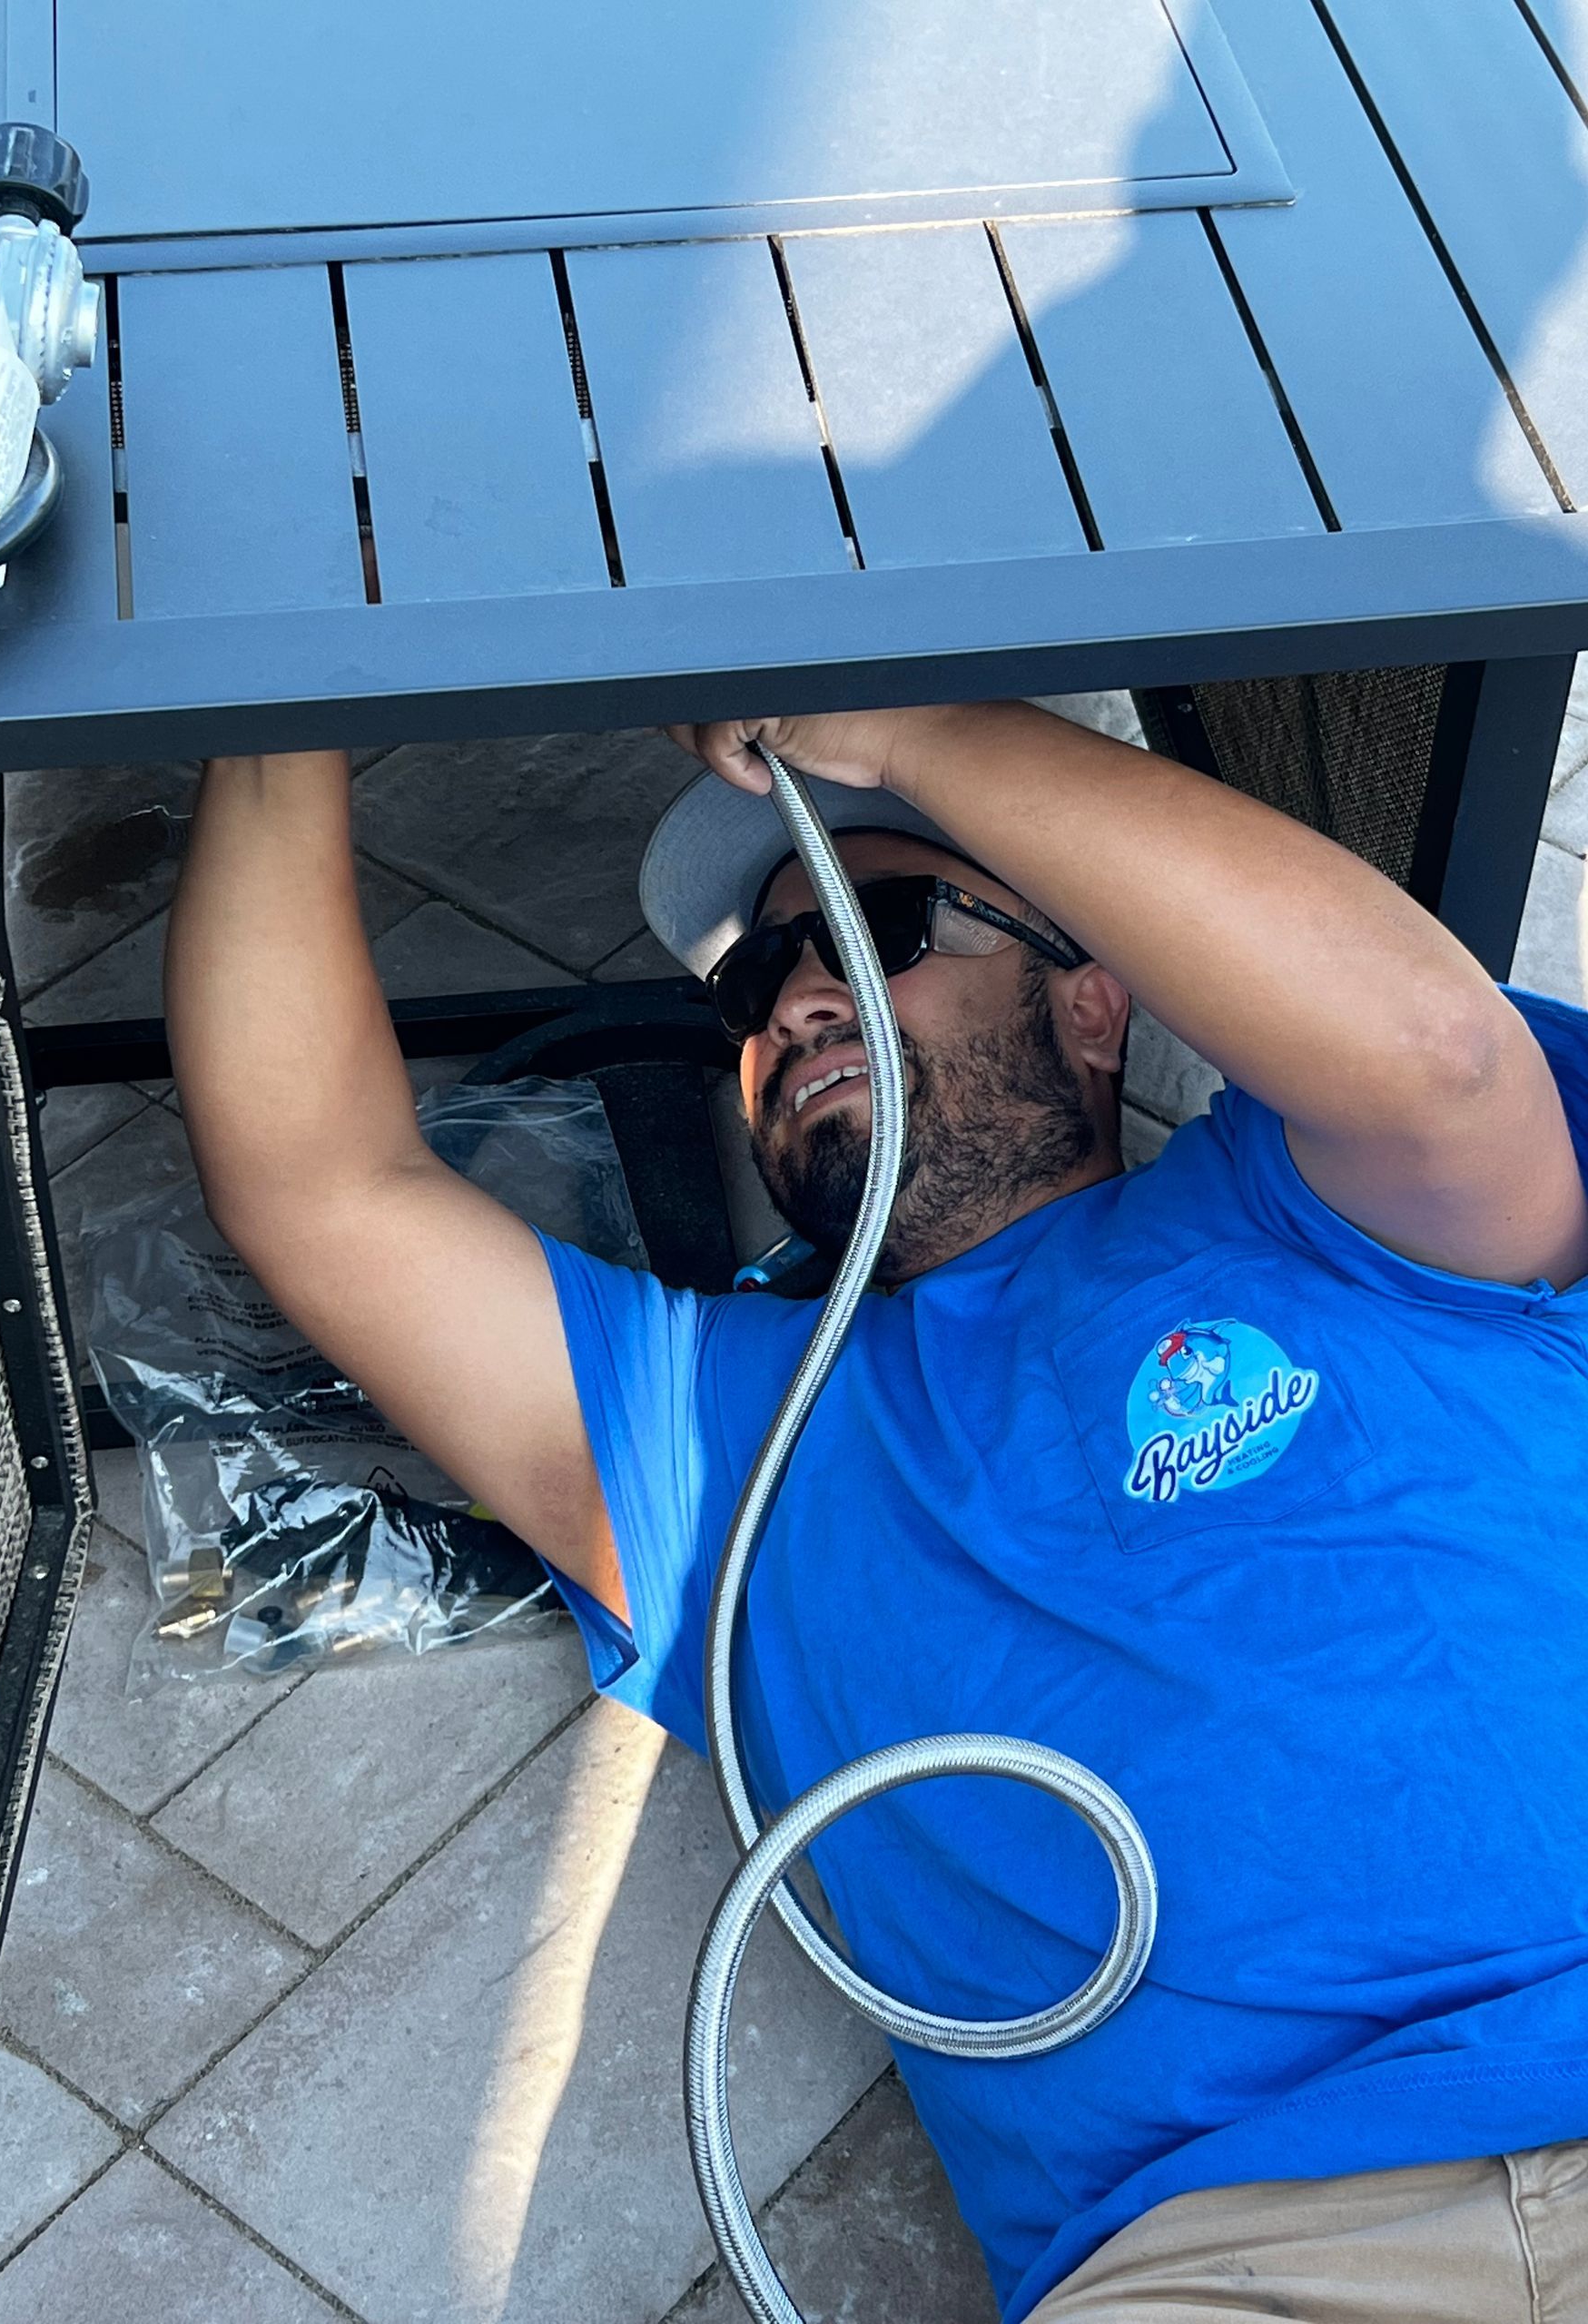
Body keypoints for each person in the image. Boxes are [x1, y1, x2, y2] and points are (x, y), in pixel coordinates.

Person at [165, 700, 1588, 2322]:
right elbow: (311, 1176)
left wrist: (911, 734)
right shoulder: (722, 1440)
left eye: (879, 926)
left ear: (1098, 1001)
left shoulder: (1332, 1209)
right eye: (753, 989)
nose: (800, 998)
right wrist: (290, 709)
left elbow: (1442, 1049)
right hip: (1235, 2249)